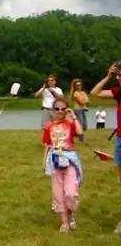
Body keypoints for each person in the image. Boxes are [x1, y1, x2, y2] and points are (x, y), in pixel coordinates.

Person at [42, 97, 83, 233]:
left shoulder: (70, 123)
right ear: (53, 110)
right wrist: (44, 161)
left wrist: (74, 116)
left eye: (63, 109)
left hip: (70, 159)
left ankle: (71, 215)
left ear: (67, 110)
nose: (60, 111)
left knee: (71, 193)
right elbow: (47, 144)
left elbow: (81, 133)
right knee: (58, 194)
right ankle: (64, 222)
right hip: (54, 160)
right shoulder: (48, 126)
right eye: (57, 109)